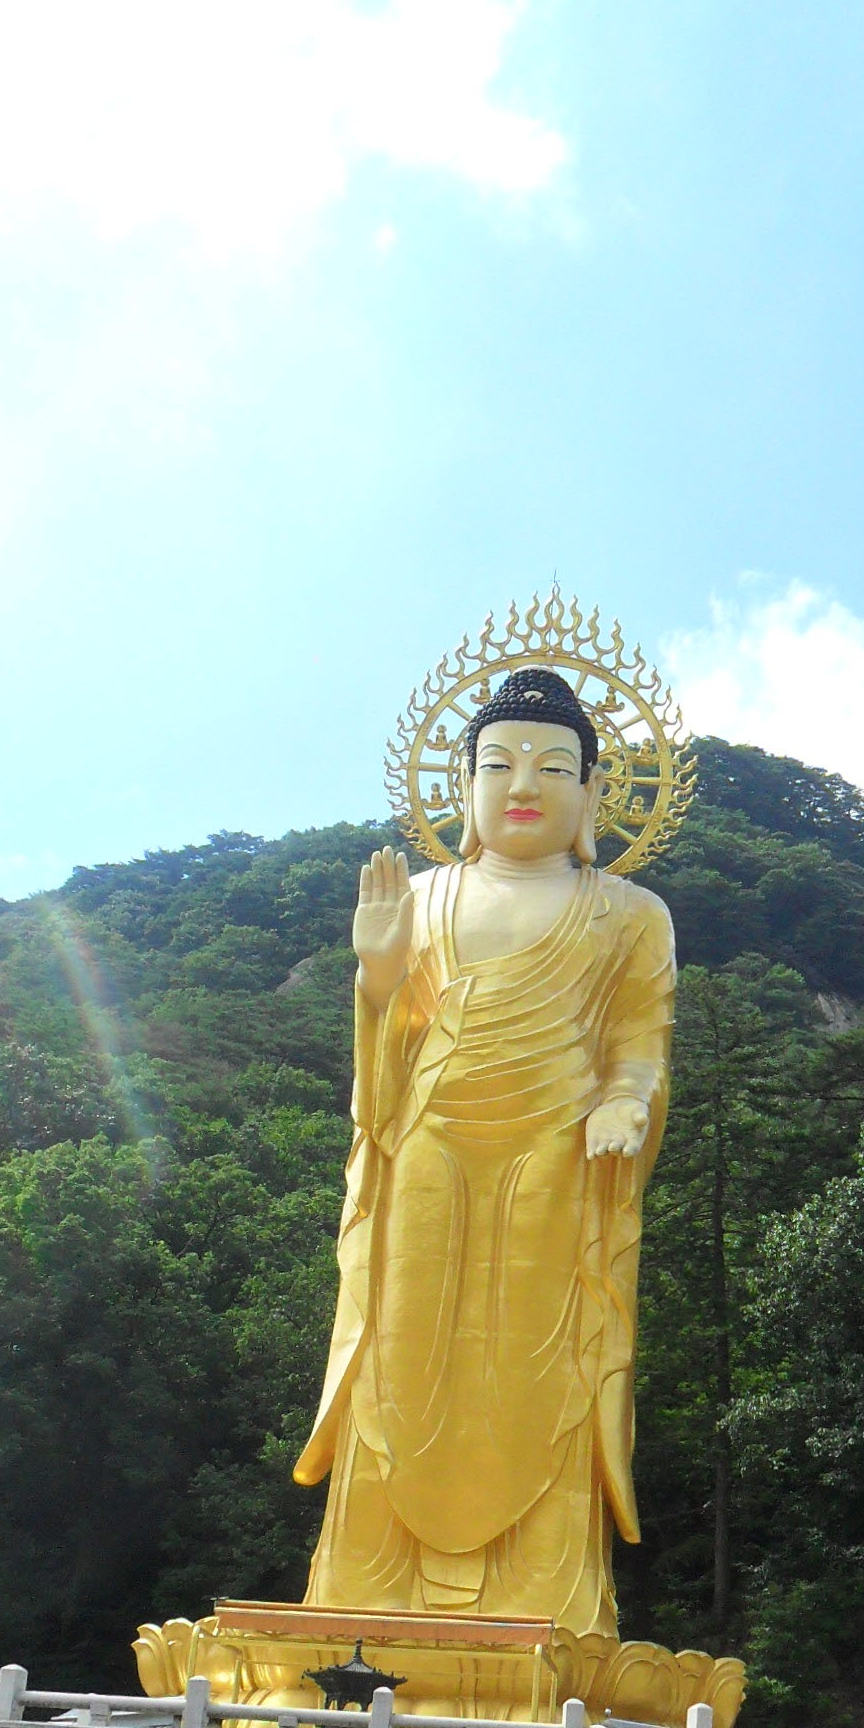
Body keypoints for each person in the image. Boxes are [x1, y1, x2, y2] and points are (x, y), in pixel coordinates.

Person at [294, 667, 675, 1647]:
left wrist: (624, 1103)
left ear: (593, 794)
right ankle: (361, 1607)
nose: (524, 783)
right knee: (400, 1360)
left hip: (554, 1163)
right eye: (498, 763)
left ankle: (543, 1613)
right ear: (462, 786)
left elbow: (640, 1044)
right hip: (425, 1154)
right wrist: (377, 974)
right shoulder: (422, 898)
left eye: (555, 767)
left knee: (540, 1367)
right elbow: (384, 1070)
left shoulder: (630, 913)